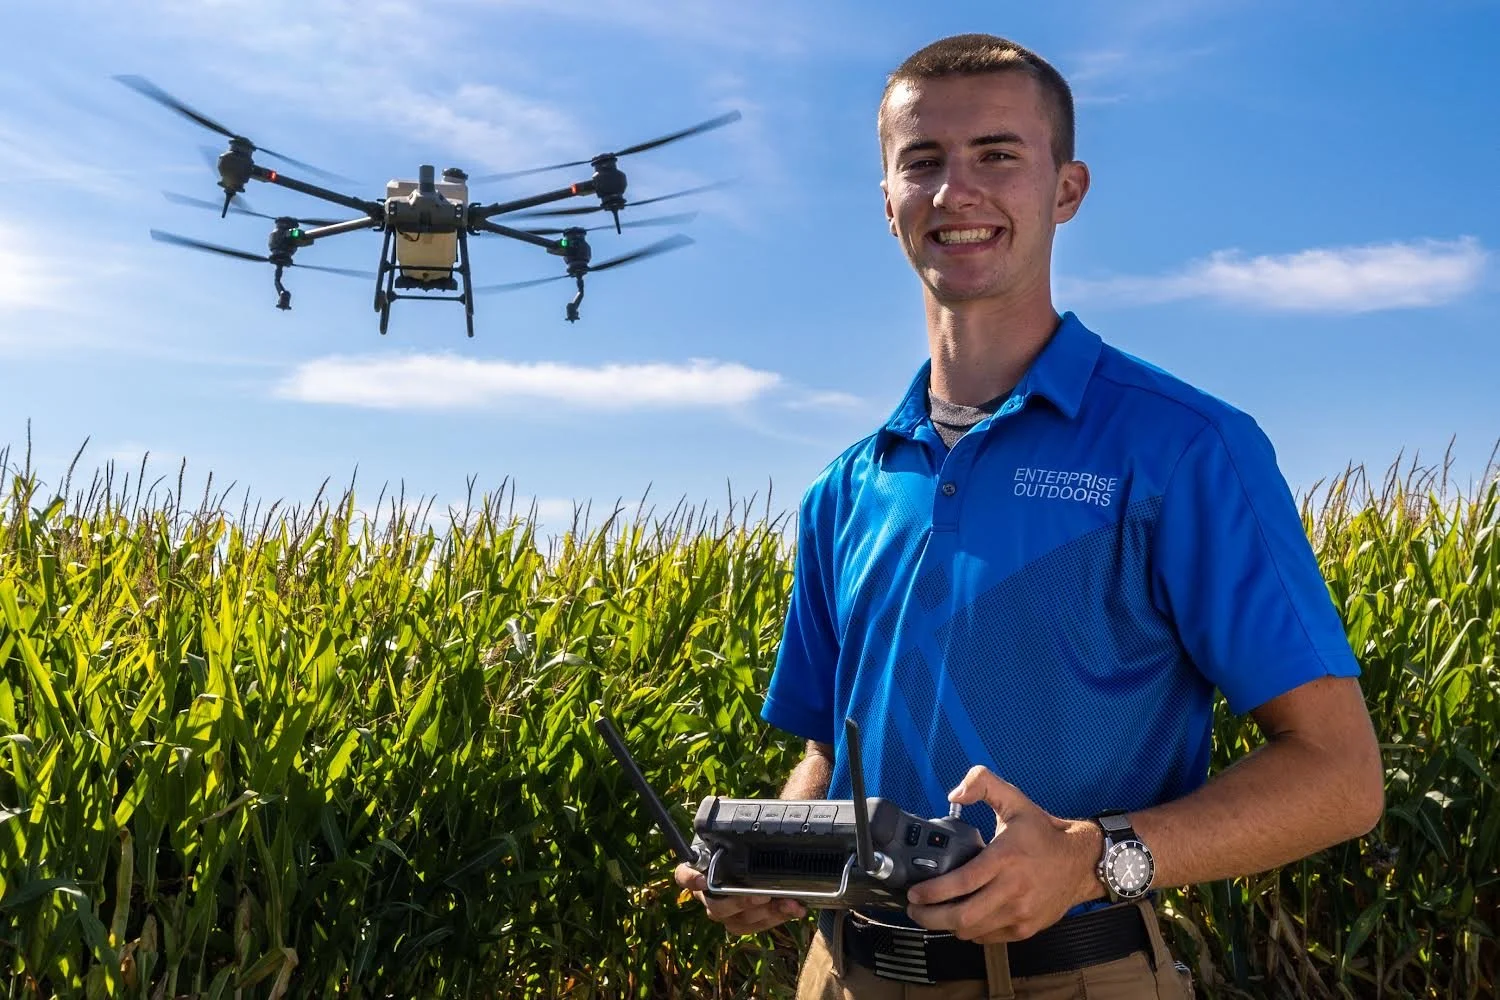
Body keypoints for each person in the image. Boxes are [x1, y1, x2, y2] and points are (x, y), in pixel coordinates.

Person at [674, 32, 1385, 999]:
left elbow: (1341, 778)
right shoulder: (845, 488)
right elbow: (822, 753)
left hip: (1075, 976)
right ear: (887, 204)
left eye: (997, 155)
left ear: (1067, 189)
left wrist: (1092, 857)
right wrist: (776, 858)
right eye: (921, 162)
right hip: (842, 976)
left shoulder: (1184, 450)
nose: (953, 191)